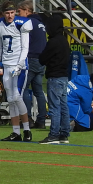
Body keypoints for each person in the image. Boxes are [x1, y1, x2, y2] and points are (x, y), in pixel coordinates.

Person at [0, 1, 33, 142]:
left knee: (17, 97)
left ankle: (27, 129)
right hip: (7, 66)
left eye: (12, 12)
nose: (10, 15)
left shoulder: (22, 23)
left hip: (19, 66)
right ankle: (16, 132)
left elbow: (25, 48)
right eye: (7, 13)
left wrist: (19, 65)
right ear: (3, 13)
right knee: (10, 99)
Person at [38, 11, 69, 144]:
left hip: (54, 77)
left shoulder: (53, 42)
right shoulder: (64, 41)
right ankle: (64, 133)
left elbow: (42, 59)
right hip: (64, 76)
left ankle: (54, 134)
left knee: (54, 107)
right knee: (63, 106)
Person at [18, 0, 47, 128]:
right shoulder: (40, 23)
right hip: (41, 60)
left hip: (31, 59)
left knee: (23, 88)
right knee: (38, 91)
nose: (18, 14)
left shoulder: (28, 23)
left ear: (26, 10)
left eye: (19, 11)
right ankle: (41, 120)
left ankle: (27, 118)